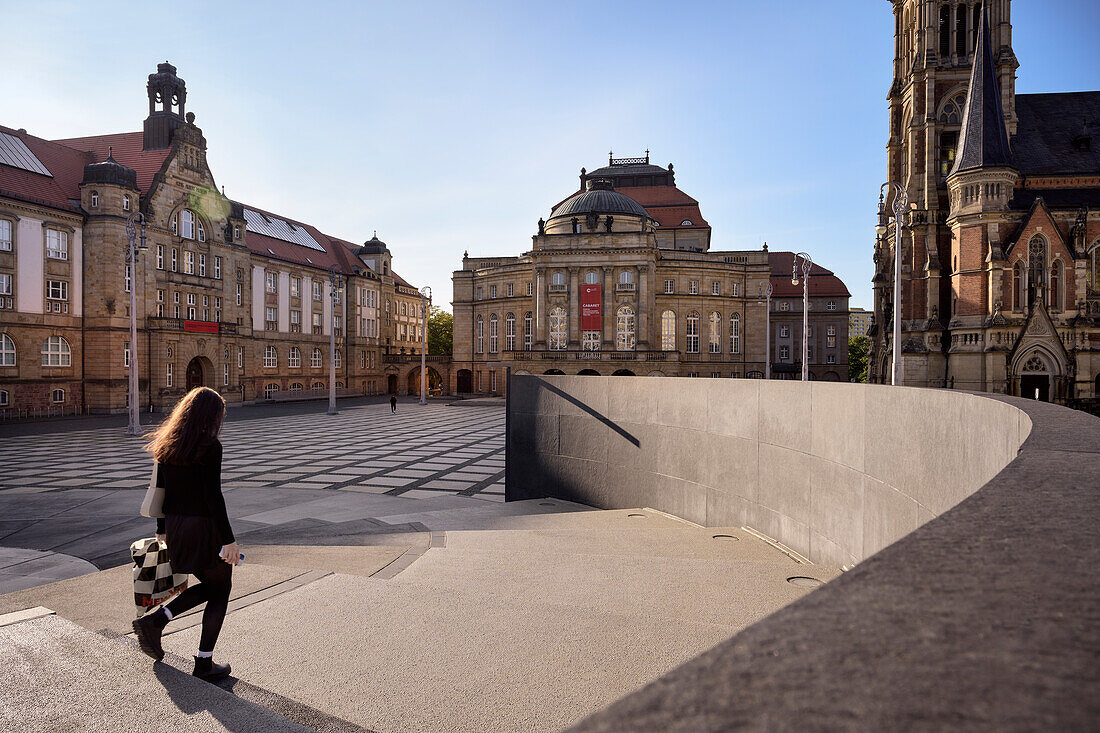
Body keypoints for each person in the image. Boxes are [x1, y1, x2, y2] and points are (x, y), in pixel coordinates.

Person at [132, 387, 240, 682]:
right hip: (203, 526)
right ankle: (203, 663)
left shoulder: (168, 445)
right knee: (221, 590)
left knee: (213, 587)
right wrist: (228, 540)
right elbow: (213, 497)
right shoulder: (209, 446)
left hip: (178, 526)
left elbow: (163, 492)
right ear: (211, 415)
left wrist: (162, 529)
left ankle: (157, 621)